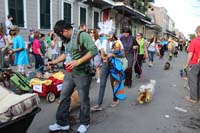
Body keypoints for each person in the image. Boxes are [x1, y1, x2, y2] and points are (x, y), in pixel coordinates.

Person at [48, 20, 98, 133]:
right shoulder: (67, 39)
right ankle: (62, 123)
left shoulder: (82, 35)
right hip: (70, 73)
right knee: (64, 96)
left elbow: (94, 50)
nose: (60, 37)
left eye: (60, 35)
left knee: (84, 99)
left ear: (64, 31)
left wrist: (78, 61)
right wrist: (54, 62)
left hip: (82, 74)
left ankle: (85, 123)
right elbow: (66, 54)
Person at [91, 33, 125, 111]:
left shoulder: (118, 42)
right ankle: (99, 104)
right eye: (106, 35)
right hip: (105, 64)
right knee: (102, 84)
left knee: (114, 84)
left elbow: (123, 54)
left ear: (113, 34)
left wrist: (112, 55)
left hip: (114, 65)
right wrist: (103, 56)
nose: (107, 36)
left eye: (109, 34)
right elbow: (102, 52)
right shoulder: (104, 41)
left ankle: (115, 99)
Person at [185, 25, 200, 103]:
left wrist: (187, 63)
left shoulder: (195, 40)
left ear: (197, 32)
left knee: (193, 80)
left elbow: (190, 53)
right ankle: (198, 96)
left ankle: (194, 98)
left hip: (195, 63)